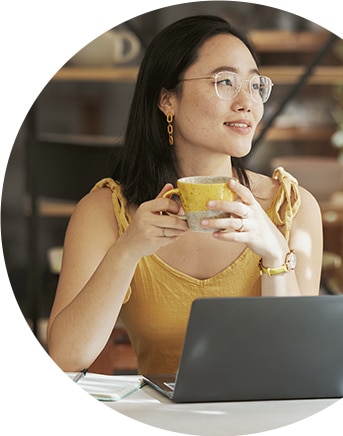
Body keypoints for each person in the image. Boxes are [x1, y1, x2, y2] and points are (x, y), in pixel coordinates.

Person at [47, 15, 323, 375]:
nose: (247, 103)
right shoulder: (106, 211)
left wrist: (274, 251)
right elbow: (65, 358)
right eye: (225, 82)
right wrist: (128, 248)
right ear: (167, 100)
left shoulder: (292, 209)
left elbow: (298, 363)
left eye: (255, 85)